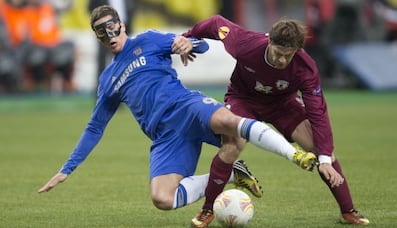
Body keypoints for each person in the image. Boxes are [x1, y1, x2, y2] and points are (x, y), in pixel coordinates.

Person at [37, 5, 317, 228]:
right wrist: (67, 169)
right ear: (97, 37)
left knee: (232, 126)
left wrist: (189, 45)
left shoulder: (147, 40)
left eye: (111, 27)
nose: (109, 35)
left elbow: (201, 45)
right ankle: (232, 174)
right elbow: (95, 127)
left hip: (186, 107)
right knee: (162, 199)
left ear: (121, 25)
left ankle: (293, 154)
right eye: (101, 32)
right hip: (166, 137)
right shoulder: (108, 79)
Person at [183, 15, 370, 225]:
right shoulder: (245, 43)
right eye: (278, 53)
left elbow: (318, 112)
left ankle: (348, 211)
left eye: (287, 56)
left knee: (321, 149)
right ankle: (207, 210)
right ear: (269, 41)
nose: (282, 60)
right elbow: (215, 23)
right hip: (243, 99)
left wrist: (325, 159)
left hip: (283, 105)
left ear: (297, 50)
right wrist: (188, 38)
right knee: (233, 146)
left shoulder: (306, 68)